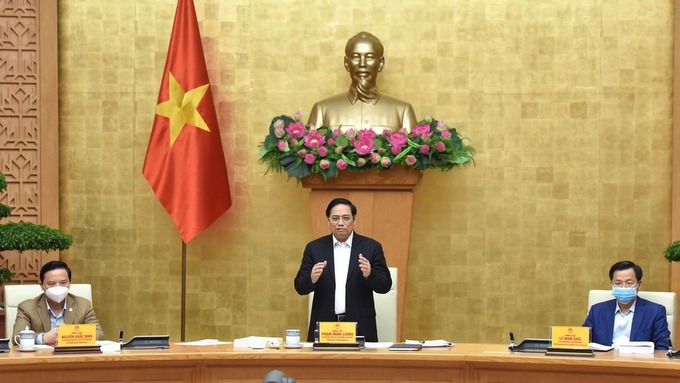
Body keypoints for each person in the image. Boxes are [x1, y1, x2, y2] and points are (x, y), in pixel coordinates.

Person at [294, 198, 392, 342]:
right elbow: (299, 287)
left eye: (346, 218)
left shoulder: (371, 247)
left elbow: (385, 286)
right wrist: (312, 278)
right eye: (335, 218)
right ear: (328, 220)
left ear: (354, 219)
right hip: (325, 327)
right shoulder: (314, 248)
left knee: (360, 365)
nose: (340, 223)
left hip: (361, 326)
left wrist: (370, 274)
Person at [307, 31, 417, 133]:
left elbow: (414, 152)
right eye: (355, 57)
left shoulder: (402, 111)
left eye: (370, 57)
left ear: (381, 63)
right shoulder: (322, 110)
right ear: (346, 63)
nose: (362, 64)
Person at [12, 260, 104, 345]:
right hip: (42, 359)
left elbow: (99, 334)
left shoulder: (83, 305)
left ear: (70, 283)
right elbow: (17, 337)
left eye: (63, 282)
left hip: (73, 358)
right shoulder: (27, 307)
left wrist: (69, 335)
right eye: (51, 283)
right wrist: (43, 338)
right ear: (42, 285)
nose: (58, 287)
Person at [583, 260, 670, 350]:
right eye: (618, 283)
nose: (623, 287)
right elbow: (583, 342)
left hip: (638, 362)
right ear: (611, 285)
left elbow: (663, 347)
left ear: (639, 285)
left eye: (629, 283)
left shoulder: (655, 312)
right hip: (604, 362)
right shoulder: (597, 311)